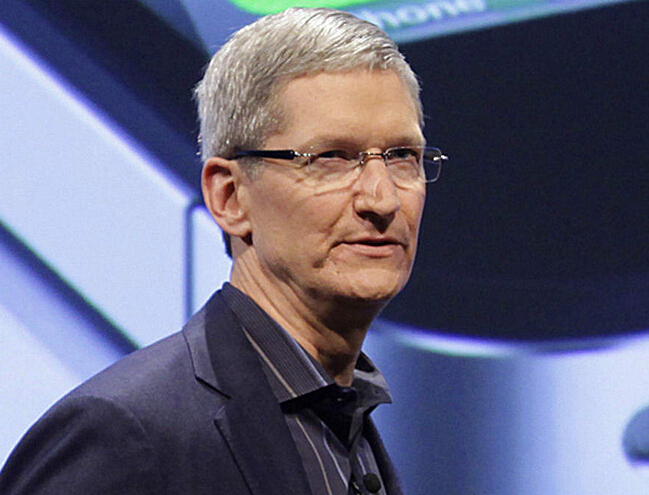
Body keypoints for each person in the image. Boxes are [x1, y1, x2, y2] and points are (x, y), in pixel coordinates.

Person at [0, 7, 447, 495]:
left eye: (402, 156)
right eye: (332, 158)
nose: (382, 199)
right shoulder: (123, 437)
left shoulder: (348, 421)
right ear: (230, 197)